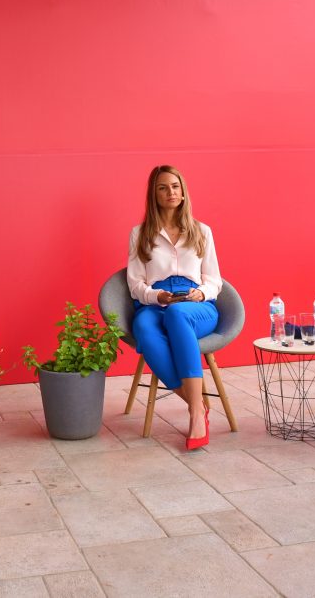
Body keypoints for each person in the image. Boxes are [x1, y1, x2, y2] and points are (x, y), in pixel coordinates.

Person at [126, 165, 223, 451]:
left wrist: (200, 293)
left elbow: (214, 280)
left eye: (175, 186)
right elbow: (135, 283)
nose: (171, 192)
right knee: (143, 327)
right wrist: (156, 296)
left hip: (196, 305)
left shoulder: (202, 231)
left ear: (183, 192)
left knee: (178, 314)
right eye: (163, 187)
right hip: (158, 300)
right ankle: (197, 405)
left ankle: (195, 415)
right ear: (154, 195)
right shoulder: (140, 234)